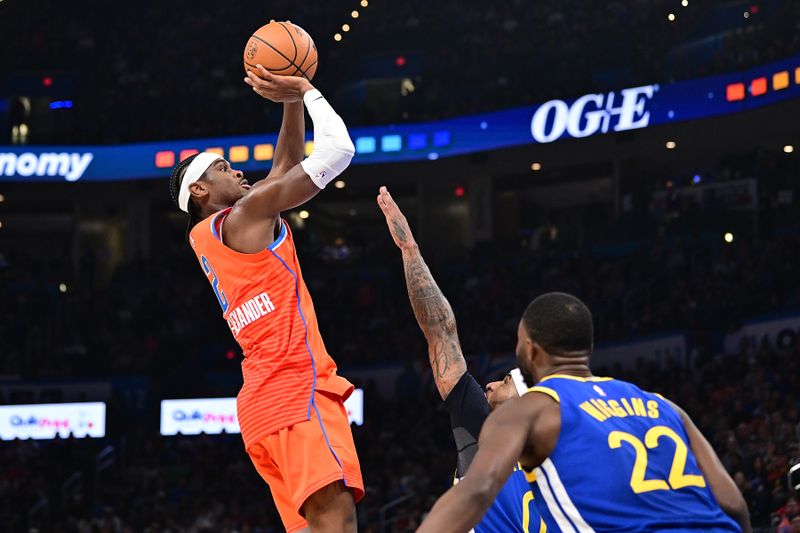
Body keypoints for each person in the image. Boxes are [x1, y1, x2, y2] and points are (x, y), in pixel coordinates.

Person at [167, 65, 362, 533]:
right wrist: (309, 90)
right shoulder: (245, 215)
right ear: (200, 190)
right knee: (336, 521)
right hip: (295, 388)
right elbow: (339, 150)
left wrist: (290, 104)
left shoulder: (214, 233)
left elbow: (284, 169)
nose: (234, 169)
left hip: (262, 406)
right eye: (220, 168)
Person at [417, 292, 751, 532]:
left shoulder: (536, 408)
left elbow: (476, 490)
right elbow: (734, 505)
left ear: (530, 350)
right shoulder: (662, 405)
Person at [377, 186, 545, 532]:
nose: (492, 383)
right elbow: (441, 331)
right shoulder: (479, 420)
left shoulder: (557, 451)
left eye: (507, 380)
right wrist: (410, 251)